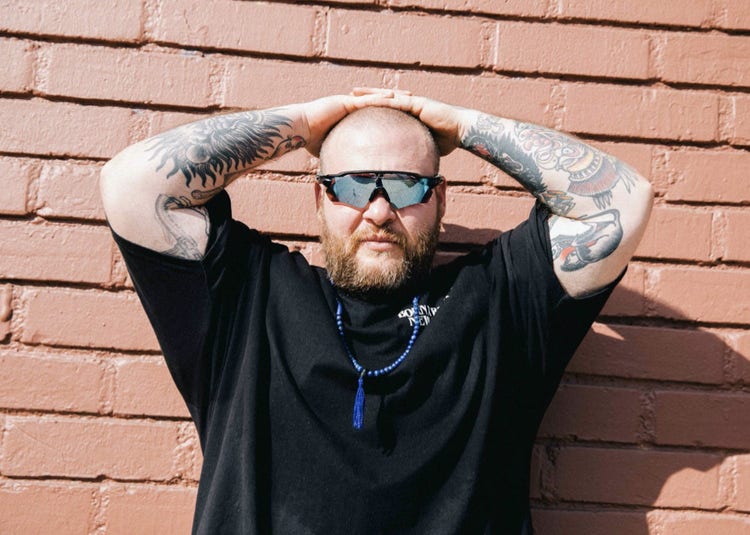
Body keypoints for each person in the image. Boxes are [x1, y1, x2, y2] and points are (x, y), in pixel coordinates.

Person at [100, 88, 653, 534]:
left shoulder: (500, 302)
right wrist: (304, 124)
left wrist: (462, 126)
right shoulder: (246, 298)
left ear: (440, 200)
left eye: (407, 186)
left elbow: (622, 202)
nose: (380, 210)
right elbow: (132, 185)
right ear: (319, 199)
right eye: (353, 185)